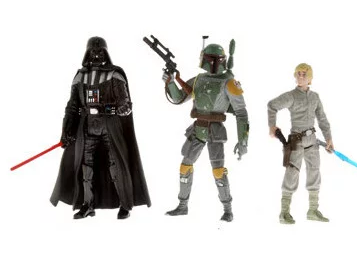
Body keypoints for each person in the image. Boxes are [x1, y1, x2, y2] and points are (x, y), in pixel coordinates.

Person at [50, 36, 150, 219]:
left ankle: (124, 205)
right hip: (87, 127)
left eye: (99, 52)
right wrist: (66, 131)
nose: (96, 55)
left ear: (105, 53)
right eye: (93, 52)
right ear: (87, 53)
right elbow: (72, 106)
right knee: (86, 167)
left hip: (109, 126)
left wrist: (123, 107)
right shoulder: (80, 76)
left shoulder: (114, 74)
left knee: (115, 165)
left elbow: (124, 101)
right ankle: (87, 205)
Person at [163, 41, 249, 221]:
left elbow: (241, 113)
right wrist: (170, 82)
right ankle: (182, 206)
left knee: (218, 171)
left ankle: (228, 210)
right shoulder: (198, 79)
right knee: (185, 167)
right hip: (198, 128)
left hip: (215, 131)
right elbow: (179, 98)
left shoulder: (229, 83)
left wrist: (243, 142)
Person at [267, 63, 333, 224]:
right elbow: (272, 105)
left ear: (310, 78)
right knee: (291, 174)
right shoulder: (291, 96)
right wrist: (272, 126)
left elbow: (322, 118)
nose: (301, 76)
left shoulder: (315, 97)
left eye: (304, 74)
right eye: (298, 73)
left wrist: (329, 139)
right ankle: (284, 213)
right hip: (296, 141)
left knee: (314, 172)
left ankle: (313, 210)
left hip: (312, 141)